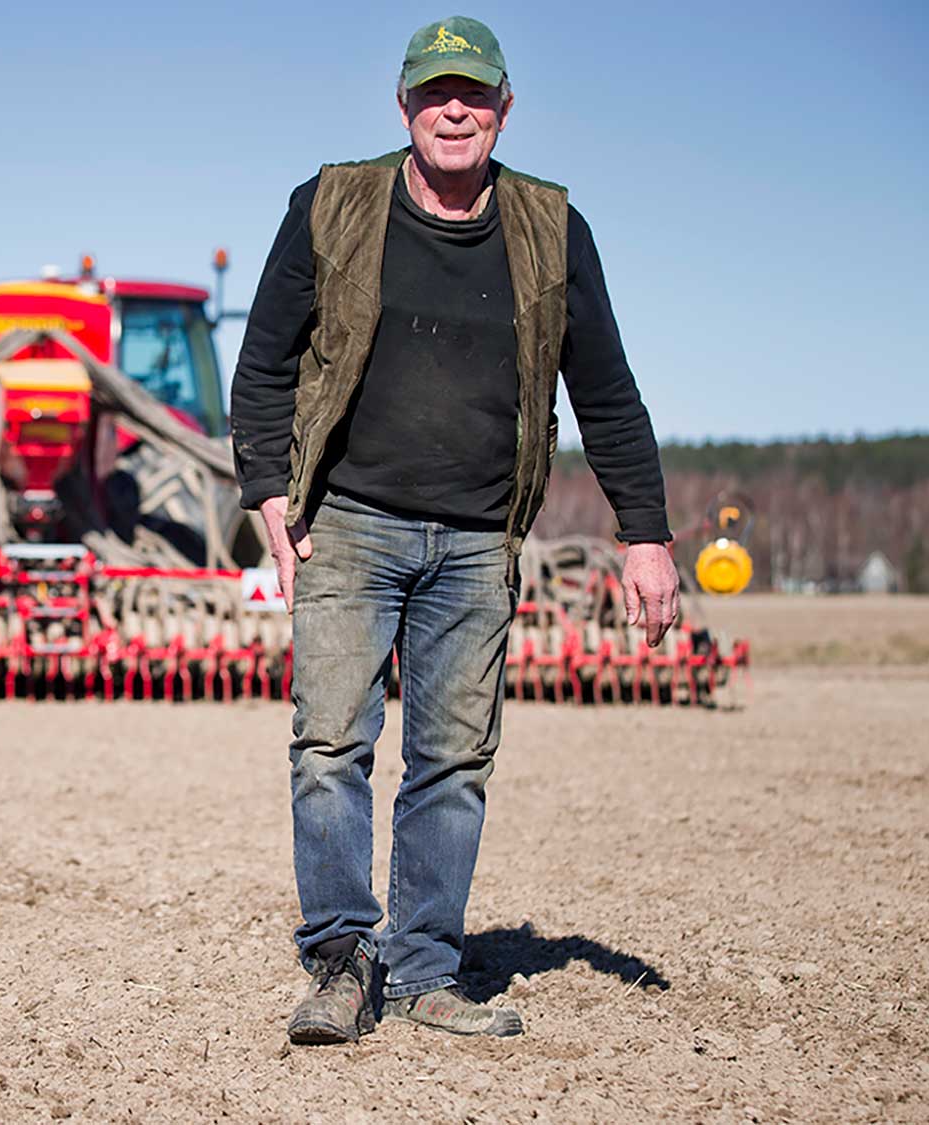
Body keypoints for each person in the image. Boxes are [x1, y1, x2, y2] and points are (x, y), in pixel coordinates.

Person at [228, 15, 680, 1044]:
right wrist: (268, 489)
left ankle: (426, 972)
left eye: (473, 94)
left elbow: (606, 390)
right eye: (435, 92)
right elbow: (264, 359)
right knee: (329, 746)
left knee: (453, 762)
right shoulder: (332, 203)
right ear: (403, 106)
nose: (454, 110)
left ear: (504, 109)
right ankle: (341, 963)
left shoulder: (550, 226)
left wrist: (645, 532)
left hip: (478, 542)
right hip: (348, 525)